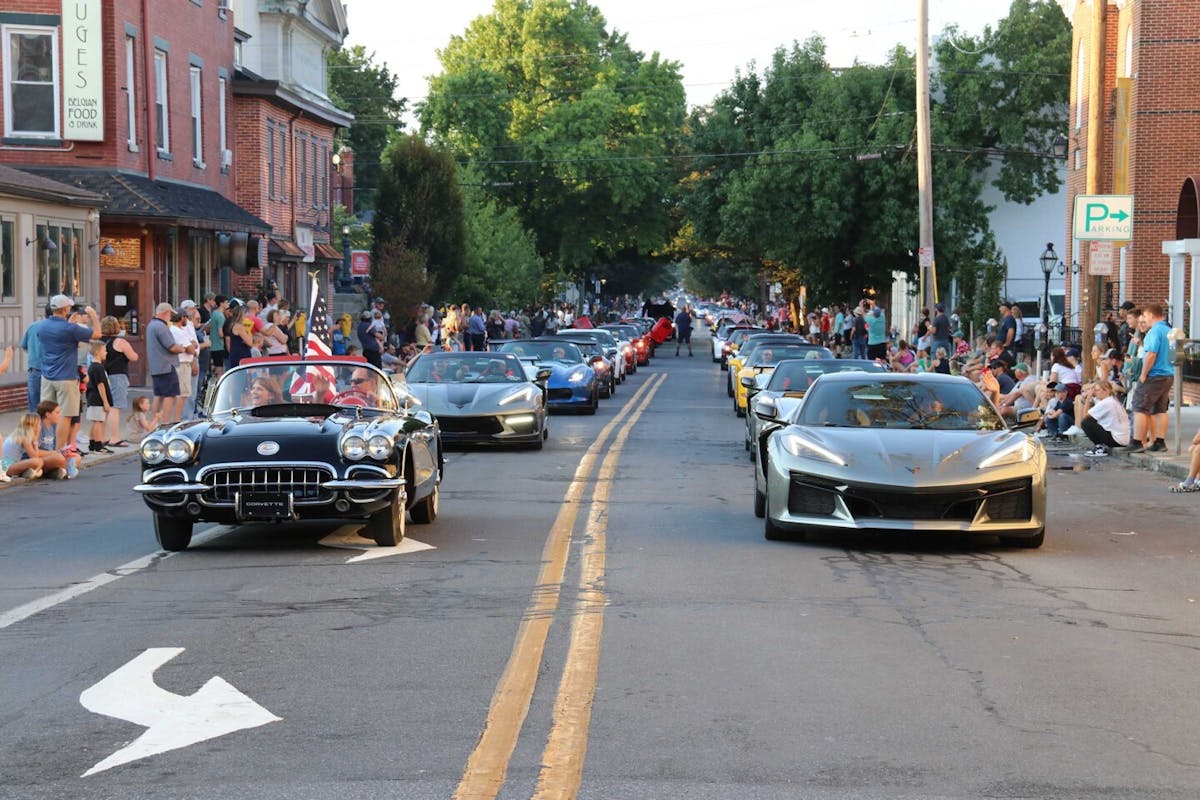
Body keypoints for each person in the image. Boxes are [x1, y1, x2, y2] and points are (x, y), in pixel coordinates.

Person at [38, 295, 100, 450]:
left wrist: (69, 324)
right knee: (65, 416)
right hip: (66, 377)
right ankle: (59, 451)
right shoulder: (71, 329)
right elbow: (97, 334)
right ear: (65, 309)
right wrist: (93, 315)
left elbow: (60, 337)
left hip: (47, 376)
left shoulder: (41, 326)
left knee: (45, 415)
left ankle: (43, 448)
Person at [1129, 303, 1173, 454]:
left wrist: (1143, 373)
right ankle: (1159, 441)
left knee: (1139, 406)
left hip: (1154, 375)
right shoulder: (1169, 330)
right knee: (1160, 409)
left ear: (1152, 315)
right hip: (1168, 374)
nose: (1144, 319)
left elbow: (1151, 354)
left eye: (1146, 316)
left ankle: (1137, 441)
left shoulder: (1154, 331)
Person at [146, 302, 191, 423]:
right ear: (166, 312)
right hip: (166, 365)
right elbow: (171, 346)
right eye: (170, 313)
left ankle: (154, 423)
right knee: (170, 395)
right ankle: (165, 424)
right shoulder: (161, 327)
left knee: (159, 395)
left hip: (156, 366)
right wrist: (182, 348)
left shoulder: (151, 325)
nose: (171, 316)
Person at [99, 316, 137, 448]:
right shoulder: (120, 342)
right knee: (115, 407)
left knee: (104, 408)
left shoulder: (97, 341)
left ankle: (102, 437)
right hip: (118, 375)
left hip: (102, 375)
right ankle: (114, 438)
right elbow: (133, 357)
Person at [1076, 380, 1130, 456]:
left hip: (1117, 439)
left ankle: (1100, 448)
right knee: (1092, 420)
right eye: (1094, 391)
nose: (1095, 392)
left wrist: (1088, 398)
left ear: (1107, 390)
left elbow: (1084, 416)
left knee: (1086, 422)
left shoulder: (1106, 402)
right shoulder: (1112, 400)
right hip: (1123, 439)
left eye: (1097, 390)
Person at [84, 341, 115, 454]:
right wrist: (105, 402)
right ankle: (98, 445)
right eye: (104, 351)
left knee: (94, 421)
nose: (106, 353)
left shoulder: (93, 366)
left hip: (92, 398)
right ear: (97, 352)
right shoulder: (98, 368)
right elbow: (100, 385)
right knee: (99, 421)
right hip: (98, 399)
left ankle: (92, 444)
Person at [19, 308, 49, 412]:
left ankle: (34, 427)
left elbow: (24, 346)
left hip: (35, 369)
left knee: (34, 406)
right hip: (53, 371)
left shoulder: (32, 326)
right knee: (52, 407)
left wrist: (35, 353)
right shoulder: (60, 328)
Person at [2, 413, 47, 481]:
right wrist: (35, 442)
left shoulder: (17, 434)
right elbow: (35, 457)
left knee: (37, 461)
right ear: (33, 426)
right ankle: (34, 473)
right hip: (7, 467)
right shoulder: (25, 438)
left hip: (5, 464)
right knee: (39, 461)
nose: (40, 427)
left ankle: (29, 472)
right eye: (39, 424)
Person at [34, 400, 73, 479]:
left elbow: (54, 448)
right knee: (60, 459)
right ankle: (59, 470)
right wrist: (55, 453)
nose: (60, 415)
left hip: (50, 457)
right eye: (57, 413)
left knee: (76, 457)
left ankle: (54, 472)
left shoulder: (52, 428)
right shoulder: (39, 428)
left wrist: (63, 452)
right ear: (48, 414)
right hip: (38, 459)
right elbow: (35, 452)